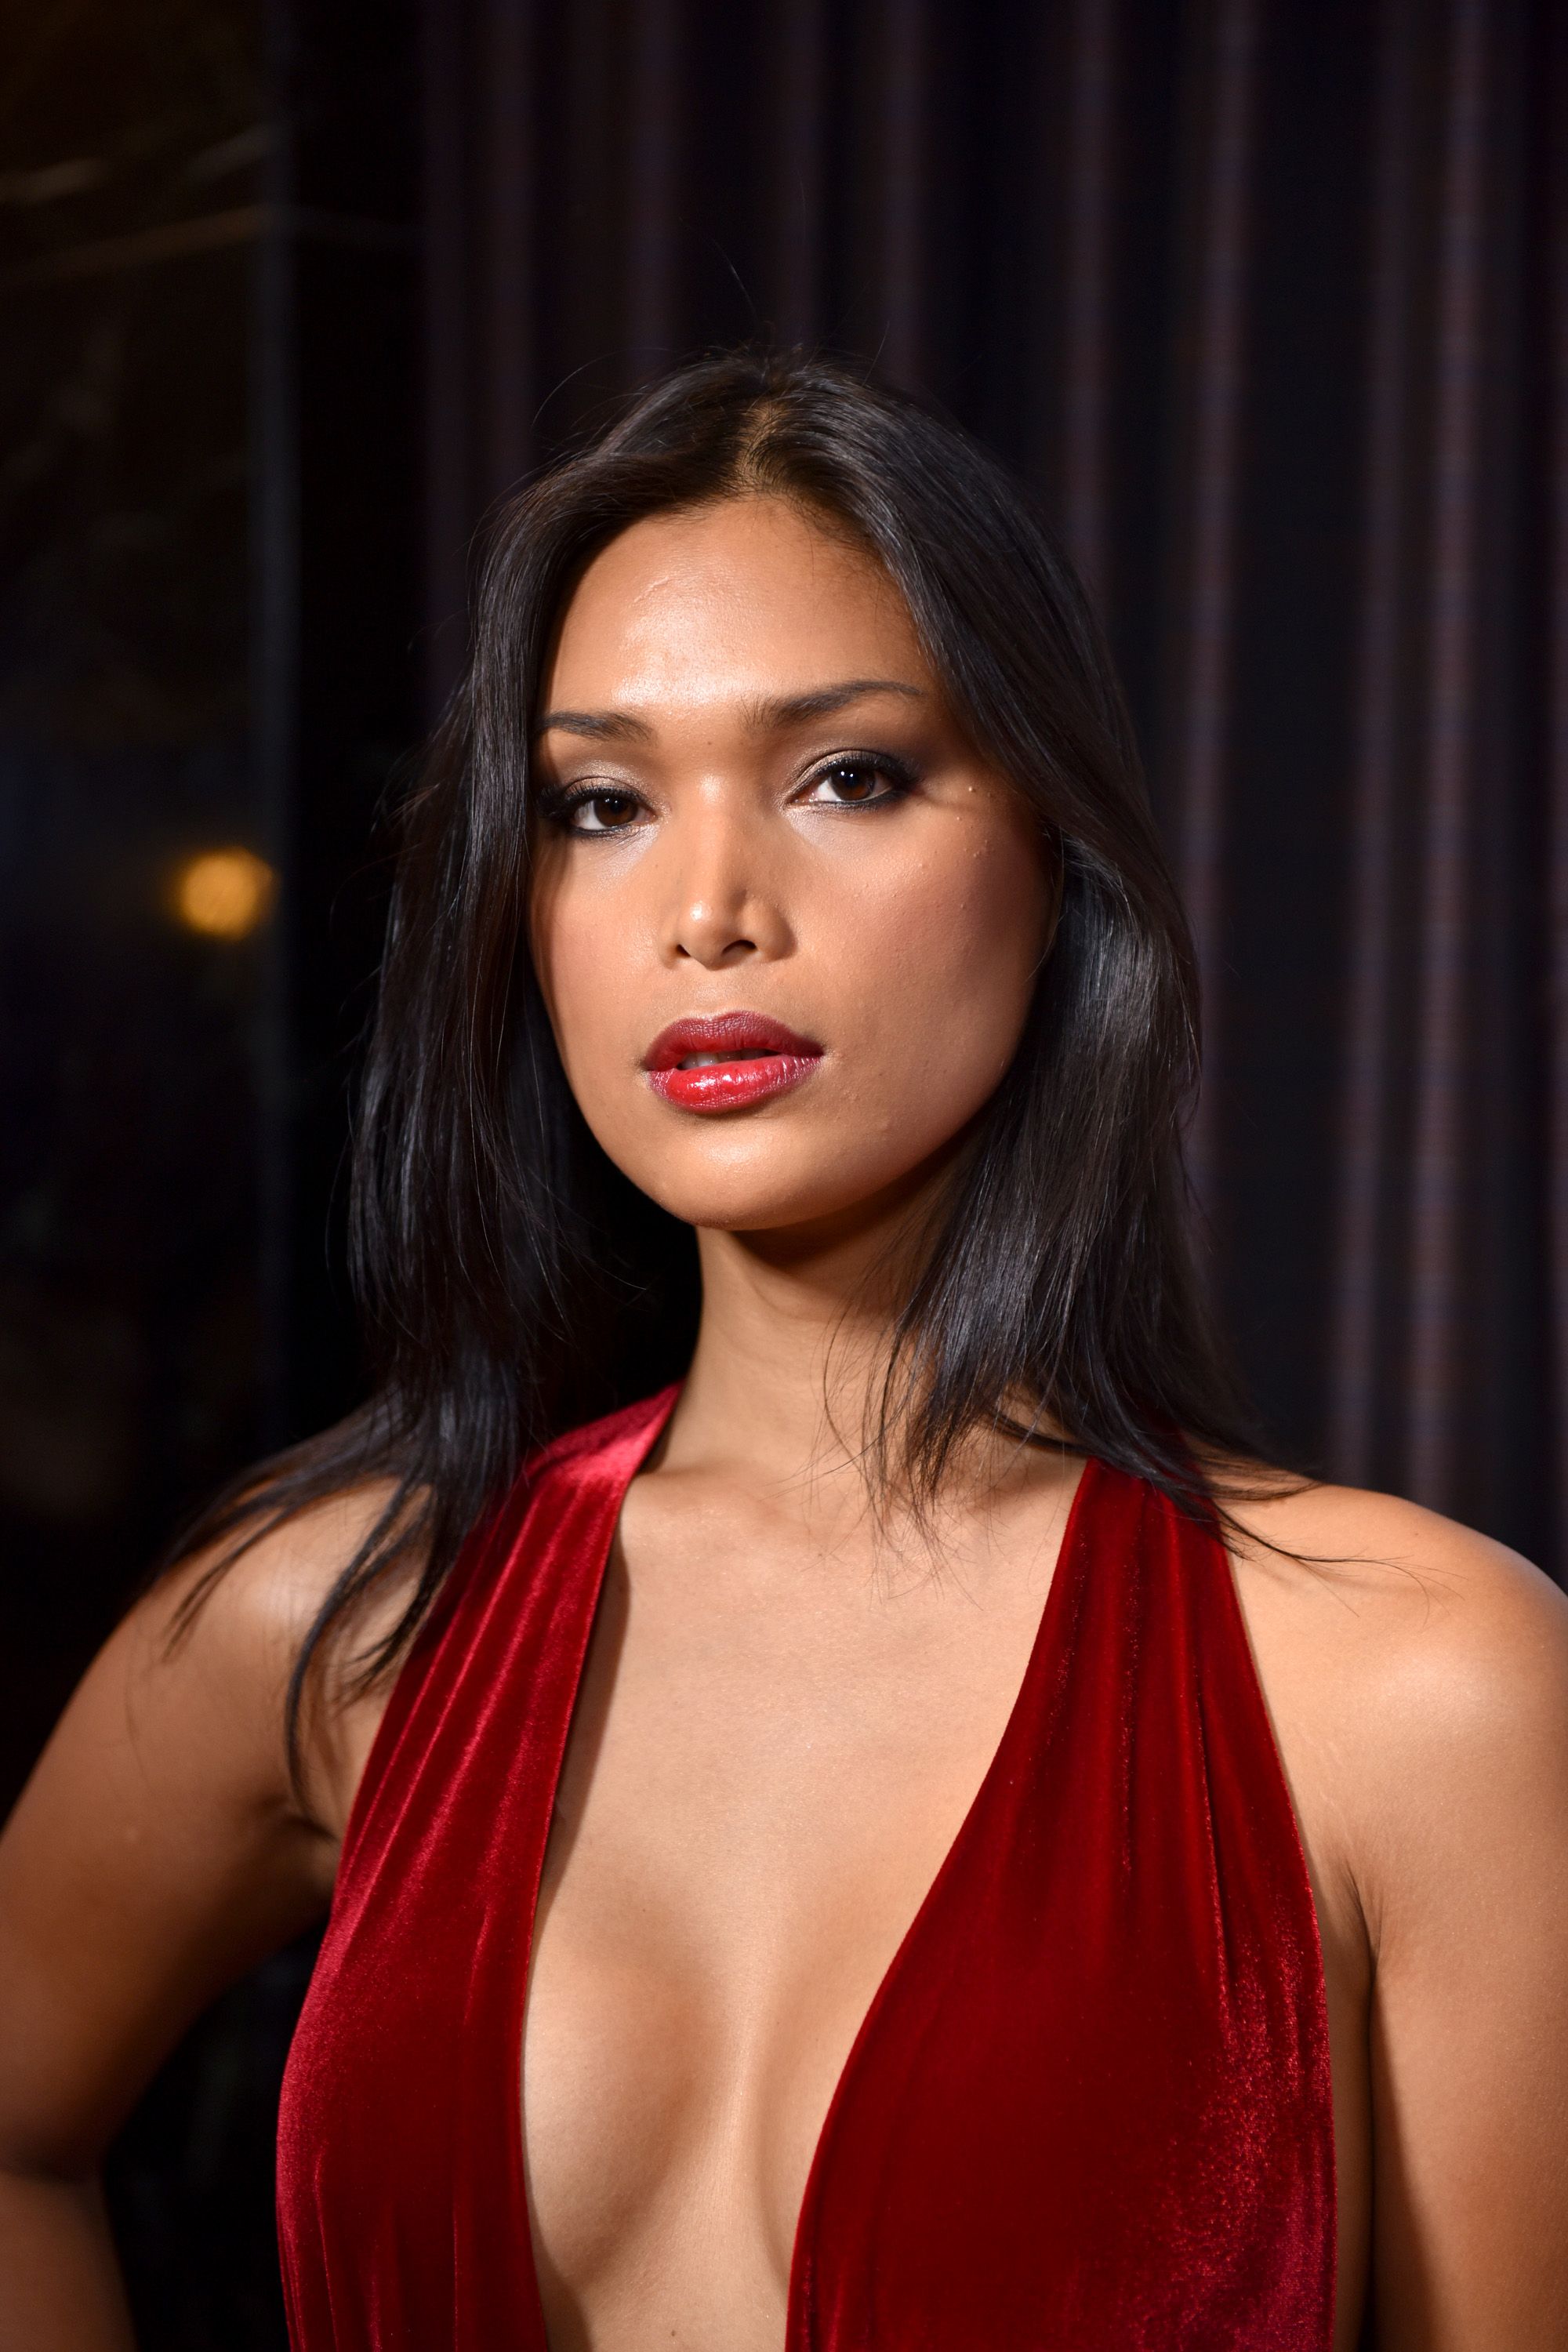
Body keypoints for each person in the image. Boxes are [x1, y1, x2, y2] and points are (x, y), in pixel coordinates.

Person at [2, 352, 1566, 2352]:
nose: (710, 911)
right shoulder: (343, 1622)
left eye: (849, 778)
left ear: (1055, 857)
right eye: (601, 804)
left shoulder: (1408, 1691)